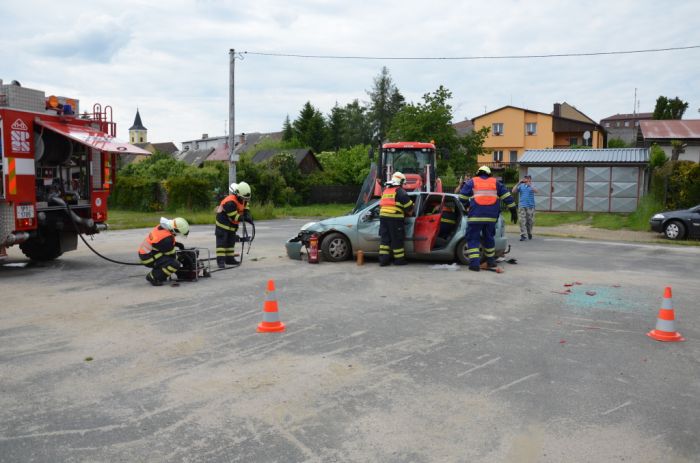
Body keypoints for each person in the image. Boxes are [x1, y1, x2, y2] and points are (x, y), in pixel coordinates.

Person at [458, 166, 517, 271]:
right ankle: (490, 261)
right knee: (489, 238)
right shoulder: (496, 183)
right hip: (491, 217)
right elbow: (507, 197)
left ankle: (474, 265)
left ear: (478, 173)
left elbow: (461, 198)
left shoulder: (472, 182)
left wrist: (468, 206)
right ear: (489, 174)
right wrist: (513, 210)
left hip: (475, 216)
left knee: (473, 239)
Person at [138, 217, 190, 286]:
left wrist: (179, 245)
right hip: (148, 258)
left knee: (171, 260)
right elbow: (172, 255)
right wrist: (184, 258)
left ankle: (158, 272)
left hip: (146, 253)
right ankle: (153, 277)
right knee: (174, 264)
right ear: (175, 230)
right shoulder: (167, 239)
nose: (178, 235)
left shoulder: (163, 227)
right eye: (179, 233)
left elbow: (162, 243)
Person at [378, 171, 414, 266]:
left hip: (383, 218)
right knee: (396, 239)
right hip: (394, 219)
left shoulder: (385, 191)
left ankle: (383, 261)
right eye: (403, 183)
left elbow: (380, 205)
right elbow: (410, 209)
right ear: (400, 182)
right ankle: (399, 260)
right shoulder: (401, 192)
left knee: (385, 240)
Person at [215, 181, 253, 268]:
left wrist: (248, 216)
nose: (246, 200)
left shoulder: (243, 199)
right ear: (238, 194)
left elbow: (246, 208)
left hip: (232, 227)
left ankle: (229, 259)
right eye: (244, 198)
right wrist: (244, 218)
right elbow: (234, 217)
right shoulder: (230, 202)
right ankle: (220, 261)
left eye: (247, 198)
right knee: (222, 244)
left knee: (231, 243)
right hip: (222, 226)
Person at [512, 174, 539, 241]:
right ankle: (523, 235)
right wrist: (518, 183)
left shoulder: (532, 185)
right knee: (521, 221)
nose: (525, 179)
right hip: (522, 206)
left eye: (527, 178)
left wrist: (529, 185)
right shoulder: (521, 186)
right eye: (525, 178)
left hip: (530, 206)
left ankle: (529, 232)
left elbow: (536, 191)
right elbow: (513, 191)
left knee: (530, 222)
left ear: (530, 179)